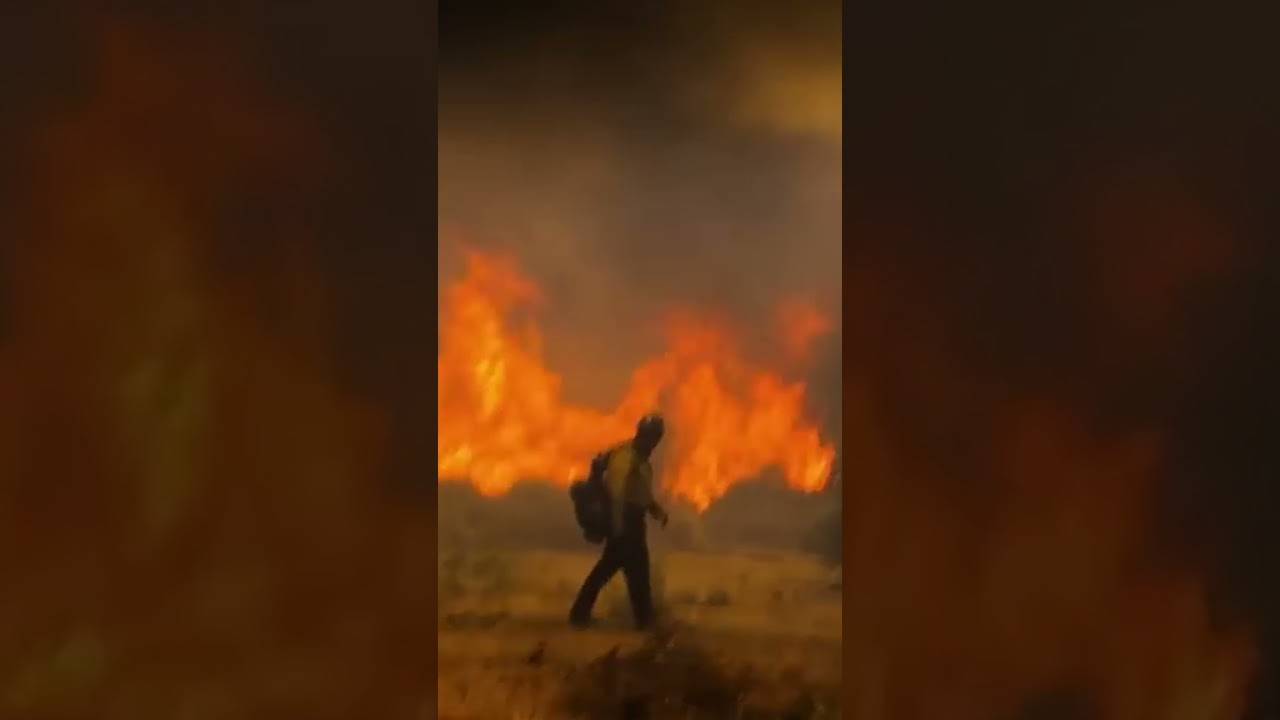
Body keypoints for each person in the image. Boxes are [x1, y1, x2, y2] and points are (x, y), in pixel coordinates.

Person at [569, 413, 669, 630]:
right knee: (630, 572)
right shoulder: (626, 457)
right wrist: (618, 527)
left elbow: (639, 493)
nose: (654, 443)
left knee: (627, 572)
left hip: (632, 522)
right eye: (652, 437)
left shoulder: (640, 460)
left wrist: (656, 511)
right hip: (625, 522)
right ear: (643, 435)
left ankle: (582, 614)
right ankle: (643, 620)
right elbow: (618, 493)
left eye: (656, 438)